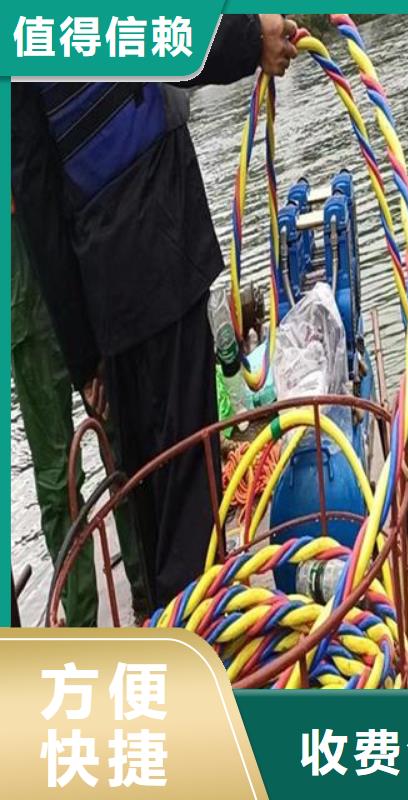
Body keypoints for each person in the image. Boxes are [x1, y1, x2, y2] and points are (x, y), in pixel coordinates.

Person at [11, 15, 298, 611]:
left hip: (103, 287)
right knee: (190, 488)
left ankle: (168, 621)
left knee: (149, 490)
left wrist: (84, 355)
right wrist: (254, 39)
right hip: (161, 245)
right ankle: (204, 637)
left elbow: (36, 195)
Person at [12, 203, 147, 625]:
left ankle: (145, 589)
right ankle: (85, 623)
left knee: (114, 432)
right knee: (59, 477)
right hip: (23, 271)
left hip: (67, 234)